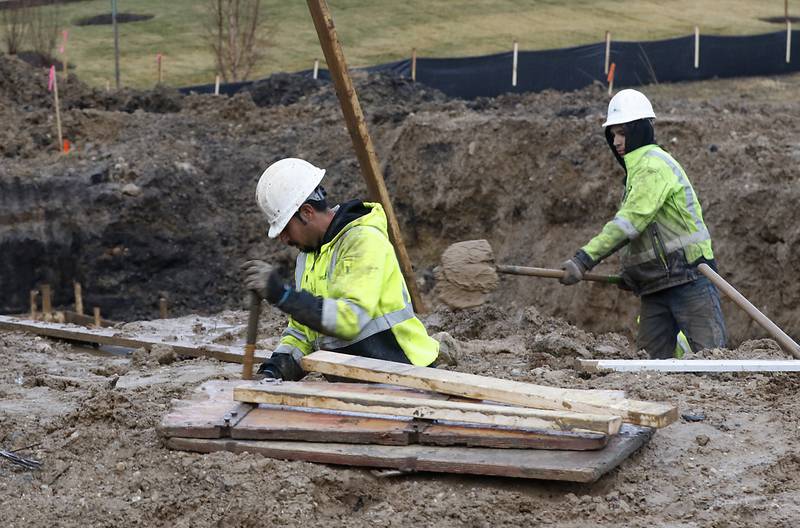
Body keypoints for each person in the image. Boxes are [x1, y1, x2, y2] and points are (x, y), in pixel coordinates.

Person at [559, 89, 727, 359]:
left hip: (689, 278)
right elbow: (645, 235)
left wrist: (584, 259)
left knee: (714, 364)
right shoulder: (636, 173)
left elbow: (630, 223)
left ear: (640, 130)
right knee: (649, 370)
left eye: (622, 133)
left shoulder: (652, 167)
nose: (616, 141)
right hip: (655, 286)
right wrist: (635, 271)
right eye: (612, 134)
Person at [242, 157, 439, 380]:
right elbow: (302, 332)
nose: (284, 239)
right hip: (359, 382)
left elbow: (348, 320)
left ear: (307, 212)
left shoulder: (363, 241)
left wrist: (283, 295)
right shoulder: (307, 258)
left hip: (406, 376)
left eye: (286, 228)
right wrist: (276, 369)